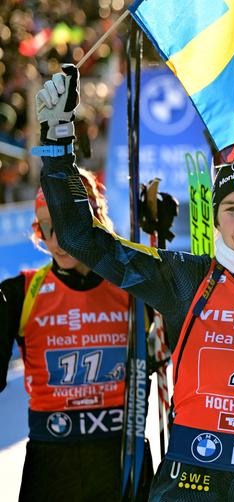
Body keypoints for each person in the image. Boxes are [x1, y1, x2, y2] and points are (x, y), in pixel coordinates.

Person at [36, 67, 234, 500]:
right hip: (188, 488)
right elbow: (82, 239)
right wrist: (57, 145)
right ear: (216, 220)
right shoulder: (188, 279)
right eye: (232, 209)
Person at [0, 171, 153, 501]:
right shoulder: (21, 292)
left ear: (96, 219)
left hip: (123, 458)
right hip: (52, 466)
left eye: (70, 223)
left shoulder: (135, 288)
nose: (58, 240)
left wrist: (159, 245)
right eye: (47, 228)